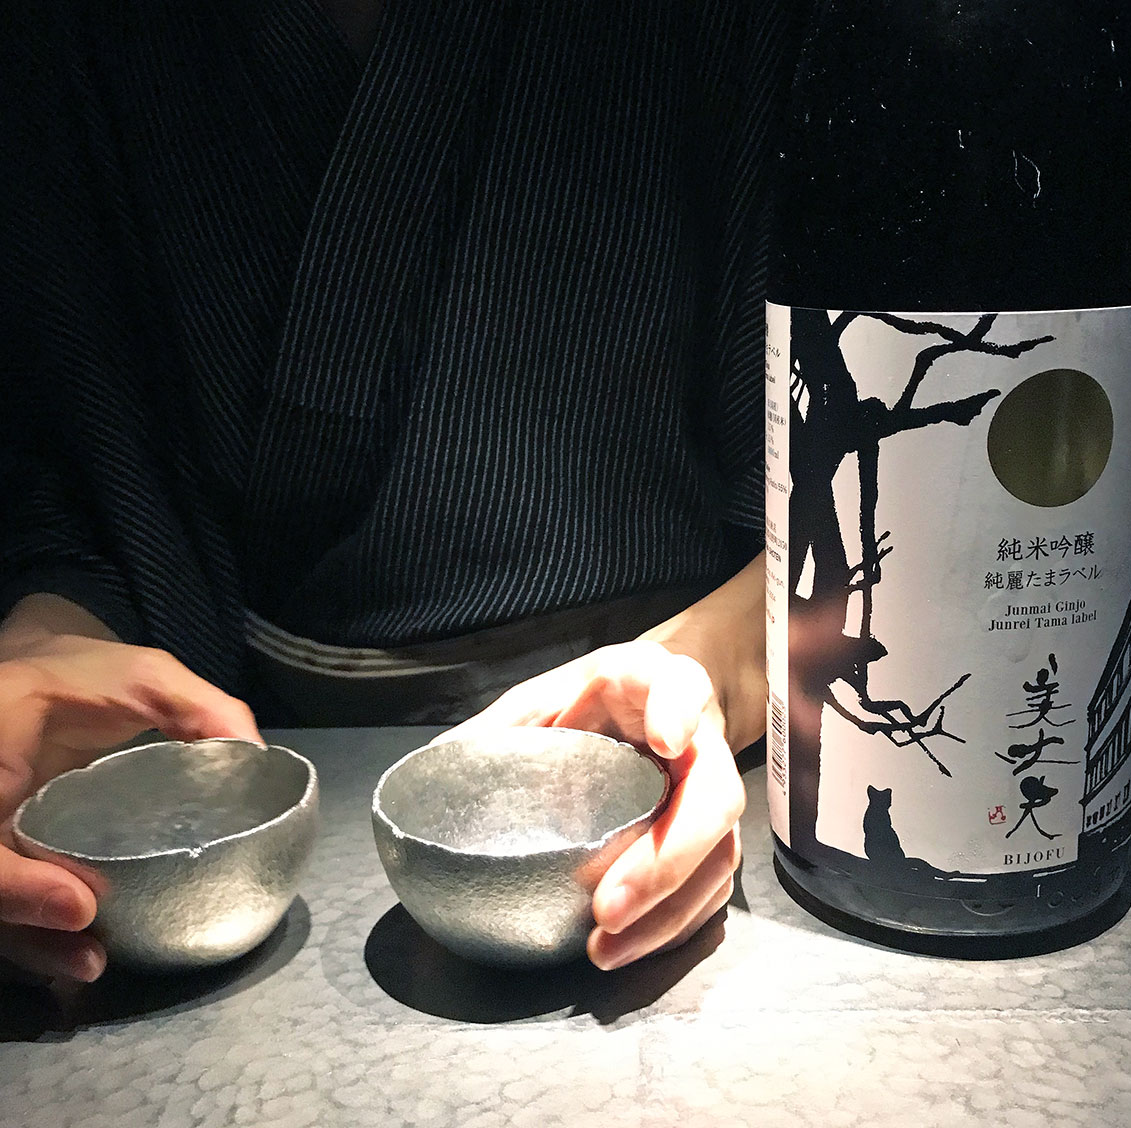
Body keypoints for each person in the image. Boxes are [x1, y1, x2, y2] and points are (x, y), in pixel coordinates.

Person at [0, 1, 788, 982]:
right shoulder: (70, 36)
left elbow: (860, 485)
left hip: (691, 773)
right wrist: (41, 650)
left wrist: (710, 672)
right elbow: (69, 461)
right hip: (229, 770)